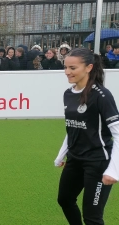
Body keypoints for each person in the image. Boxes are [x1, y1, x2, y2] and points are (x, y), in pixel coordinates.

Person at [54, 48, 119, 225]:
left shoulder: (102, 96)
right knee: (65, 200)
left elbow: (118, 134)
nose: (67, 72)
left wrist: (114, 169)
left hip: (97, 162)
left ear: (89, 67)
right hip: (74, 159)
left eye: (73, 68)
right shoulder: (68, 94)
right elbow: (73, 128)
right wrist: (61, 154)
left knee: (92, 217)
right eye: (65, 67)